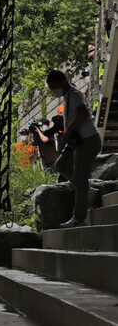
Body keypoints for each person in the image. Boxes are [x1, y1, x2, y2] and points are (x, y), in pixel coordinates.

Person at [47, 69, 102, 227]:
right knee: (61, 164)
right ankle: (86, 190)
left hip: (88, 140)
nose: (53, 91)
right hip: (77, 141)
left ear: (63, 82)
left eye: (54, 87)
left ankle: (78, 218)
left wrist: (69, 129)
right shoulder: (67, 96)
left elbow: (83, 113)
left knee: (81, 177)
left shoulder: (75, 94)